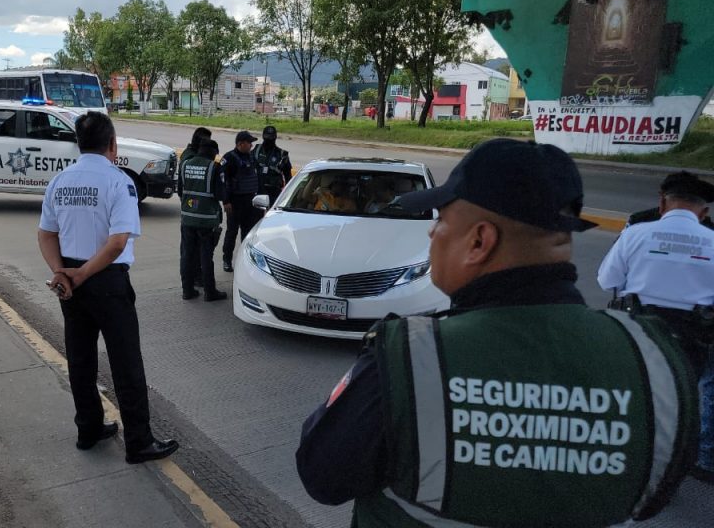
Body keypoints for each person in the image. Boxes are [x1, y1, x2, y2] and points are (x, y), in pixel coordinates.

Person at [296, 138, 698, 527]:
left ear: (479, 241)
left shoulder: (411, 358)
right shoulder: (656, 363)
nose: (431, 234)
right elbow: (655, 494)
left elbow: (323, 477)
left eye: (440, 222)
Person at [37, 111, 178, 465]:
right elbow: (117, 243)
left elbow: (46, 233)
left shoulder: (60, 181)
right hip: (105, 278)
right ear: (112, 145)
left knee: (80, 358)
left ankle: (88, 428)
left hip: (69, 278)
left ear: (78, 143)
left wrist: (61, 273)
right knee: (125, 361)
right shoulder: (119, 182)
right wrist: (83, 274)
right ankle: (139, 442)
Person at [598, 170, 714, 483]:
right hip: (696, 338)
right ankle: (700, 458)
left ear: (662, 203)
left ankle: (633, 452)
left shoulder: (636, 233)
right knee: (700, 390)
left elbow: (606, 280)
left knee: (636, 388)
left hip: (640, 332)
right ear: (703, 212)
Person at [178, 138, 227, 302]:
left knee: (187, 255)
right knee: (206, 256)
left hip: (187, 218)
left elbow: (180, 190)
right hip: (206, 220)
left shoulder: (185, 164)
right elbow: (221, 195)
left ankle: (187, 290)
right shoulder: (214, 168)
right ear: (212, 152)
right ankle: (210, 292)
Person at [220, 130, 262, 272]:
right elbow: (223, 182)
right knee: (231, 232)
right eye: (249, 143)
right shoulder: (229, 158)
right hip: (235, 202)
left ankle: (245, 261)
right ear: (240, 144)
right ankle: (227, 260)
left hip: (250, 202)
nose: (251, 145)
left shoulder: (251, 157)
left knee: (248, 234)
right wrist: (226, 201)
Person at [252, 125, 292, 202]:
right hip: (257, 191)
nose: (269, 140)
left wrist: (287, 196)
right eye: (267, 137)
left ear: (275, 137)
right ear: (263, 137)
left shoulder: (282, 155)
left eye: (271, 138)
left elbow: (288, 177)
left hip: (274, 194)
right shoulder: (256, 151)